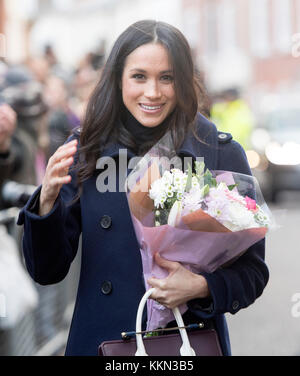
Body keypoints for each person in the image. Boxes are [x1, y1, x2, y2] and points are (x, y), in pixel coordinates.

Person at [17, 20, 269, 356]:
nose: (153, 92)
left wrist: (201, 287)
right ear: (118, 79)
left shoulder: (219, 152)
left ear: (183, 81)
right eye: (139, 77)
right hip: (101, 340)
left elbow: (252, 272)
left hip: (186, 344)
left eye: (167, 78)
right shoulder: (86, 151)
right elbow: (47, 271)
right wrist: (46, 201)